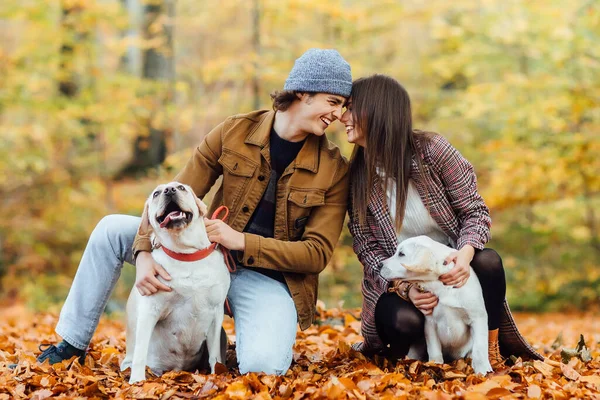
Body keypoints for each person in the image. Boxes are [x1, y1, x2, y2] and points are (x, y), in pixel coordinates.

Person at [31, 49, 352, 375]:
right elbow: (173, 194)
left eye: (342, 105)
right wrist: (144, 252)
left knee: (263, 366)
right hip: (199, 254)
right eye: (333, 101)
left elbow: (316, 254)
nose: (338, 114)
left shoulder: (334, 168)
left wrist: (241, 241)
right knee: (111, 229)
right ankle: (71, 345)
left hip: (265, 278)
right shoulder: (234, 131)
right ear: (303, 92)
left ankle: (216, 339)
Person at [341, 74, 541, 366]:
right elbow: (367, 248)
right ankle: (413, 356)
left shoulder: (432, 152)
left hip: (449, 271)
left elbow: (475, 211)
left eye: (350, 108)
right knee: (403, 321)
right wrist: (404, 288)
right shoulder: (356, 177)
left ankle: (489, 348)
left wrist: (465, 255)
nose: (342, 116)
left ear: (377, 111)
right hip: (401, 278)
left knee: (488, 261)